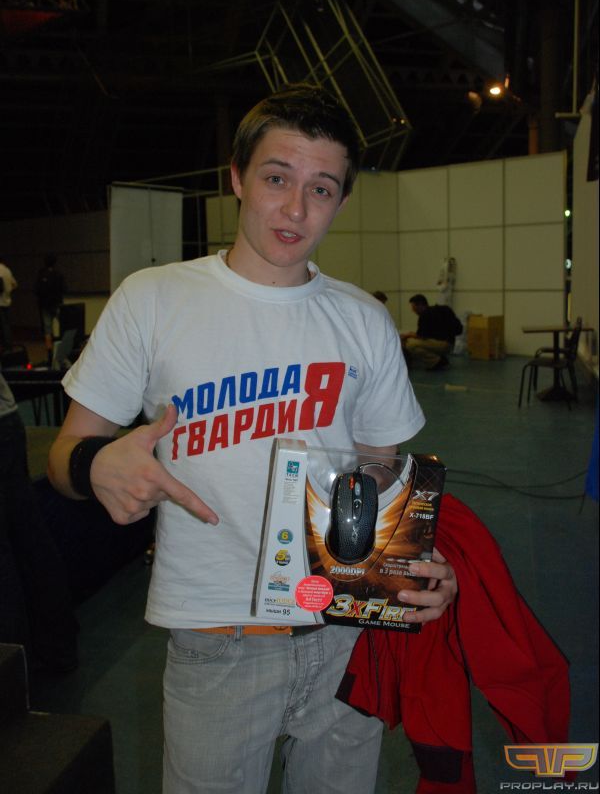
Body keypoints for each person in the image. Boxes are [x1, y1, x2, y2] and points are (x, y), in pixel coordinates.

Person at [47, 83, 457, 794]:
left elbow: (378, 469)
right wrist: (94, 465)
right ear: (236, 178)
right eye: (276, 178)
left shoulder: (362, 320)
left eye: (321, 188)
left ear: (341, 202)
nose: (296, 209)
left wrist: (409, 557)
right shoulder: (154, 298)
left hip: (343, 632)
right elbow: (64, 455)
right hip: (218, 639)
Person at [0, 370, 78, 672]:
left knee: (22, 545)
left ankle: (12, 674)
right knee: (29, 539)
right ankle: (56, 649)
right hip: (6, 421)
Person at [401, 293, 463, 370]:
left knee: (410, 344)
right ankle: (438, 358)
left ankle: (436, 361)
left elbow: (421, 336)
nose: (413, 310)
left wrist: (407, 335)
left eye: (414, 307)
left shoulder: (424, 315)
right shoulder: (441, 310)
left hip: (442, 345)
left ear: (420, 305)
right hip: (450, 344)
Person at [35, 253, 66, 359]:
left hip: (45, 304)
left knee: (47, 328)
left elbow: (37, 289)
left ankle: (49, 351)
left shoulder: (41, 274)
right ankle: (63, 348)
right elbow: (64, 288)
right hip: (56, 304)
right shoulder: (58, 274)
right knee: (63, 325)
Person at [0, 257, 18, 352]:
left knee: (2, 326)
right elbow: (15, 284)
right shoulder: (7, 270)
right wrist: (8, 291)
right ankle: (8, 345)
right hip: (7, 301)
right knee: (6, 324)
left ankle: (5, 345)